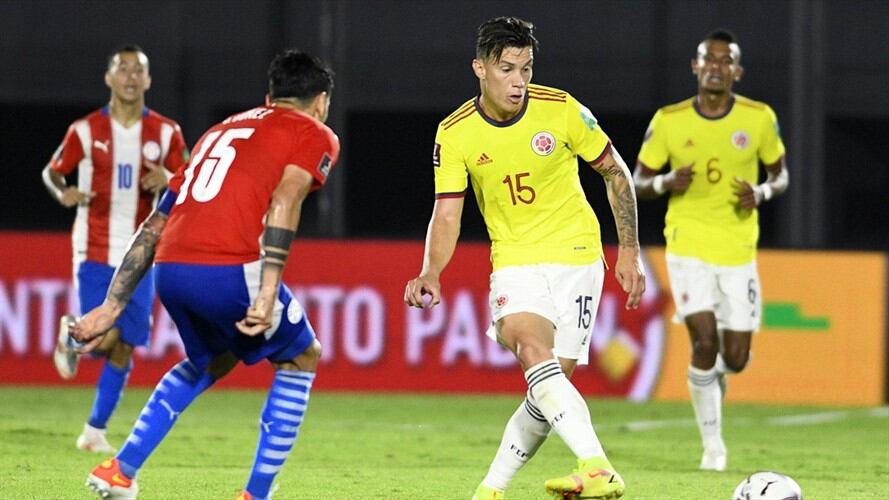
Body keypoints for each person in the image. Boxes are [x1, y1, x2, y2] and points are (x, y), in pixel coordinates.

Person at [69, 49, 340, 500]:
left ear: (269, 96)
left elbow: (155, 224)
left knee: (212, 359)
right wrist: (269, 288)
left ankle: (120, 469)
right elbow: (286, 201)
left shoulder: (221, 130)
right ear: (321, 101)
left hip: (172, 268)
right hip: (229, 264)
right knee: (302, 356)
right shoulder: (314, 132)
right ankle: (256, 494)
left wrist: (111, 305)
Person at [404, 16, 645, 500]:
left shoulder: (562, 111)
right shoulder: (455, 133)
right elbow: (447, 214)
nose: (519, 81)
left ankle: (490, 491)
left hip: (578, 255)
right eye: (507, 69)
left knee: (547, 391)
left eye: (526, 69)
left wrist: (630, 251)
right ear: (480, 69)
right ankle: (597, 466)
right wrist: (431, 269)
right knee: (530, 348)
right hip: (515, 259)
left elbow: (616, 173)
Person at [632, 29, 789, 472]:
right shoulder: (669, 120)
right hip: (687, 245)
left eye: (726, 61)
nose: (716, 66)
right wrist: (665, 182)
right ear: (695, 66)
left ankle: (717, 373)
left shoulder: (759, 118)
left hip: (738, 249)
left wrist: (759, 192)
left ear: (737, 71)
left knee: (734, 358)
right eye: (709, 59)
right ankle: (713, 447)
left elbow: (781, 176)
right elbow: (638, 182)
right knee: (703, 340)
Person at [41, 44, 189, 453]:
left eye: (138, 70)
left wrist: (170, 174)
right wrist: (64, 193)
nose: (130, 77)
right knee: (104, 334)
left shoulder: (166, 132)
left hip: (142, 252)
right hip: (93, 246)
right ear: (108, 78)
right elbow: (52, 172)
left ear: (148, 79)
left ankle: (94, 432)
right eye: (122, 69)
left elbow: (194, 175)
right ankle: (73, 336)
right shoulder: (85, 130)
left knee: (126, 343)